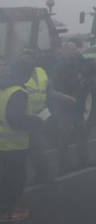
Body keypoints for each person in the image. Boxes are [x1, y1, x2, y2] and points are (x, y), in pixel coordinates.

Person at [0, 57, 46, 222]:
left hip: (4, 144)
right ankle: (7, 211)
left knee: (7, 178)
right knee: (14, 180)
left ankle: (9, 207)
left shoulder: (4, 88)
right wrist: (37, 120)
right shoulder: (17, 92)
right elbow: (16, 120)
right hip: (14, 144)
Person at [51, 42, 96, 172]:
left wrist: (82, 74)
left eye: (76, 48)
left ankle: (83, 160)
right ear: (65, 51)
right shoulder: (59, 67)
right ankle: (63, 163)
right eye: (73, 49)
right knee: (65, 134)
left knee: (82, 132)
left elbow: (93, 69)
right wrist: (79, 78)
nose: (76, 51)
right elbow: (63, 86)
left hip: (76, 104)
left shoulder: (77, 62)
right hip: (64, 105)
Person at [23, 58, 53, 185]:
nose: (28, 56)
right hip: (25, 118)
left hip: (40, 116)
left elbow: (49, 90)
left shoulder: (41, 71)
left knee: (37, 148)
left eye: (30, 54)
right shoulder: (17, 75)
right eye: (26, 54)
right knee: (33, 149)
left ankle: (42, 176)